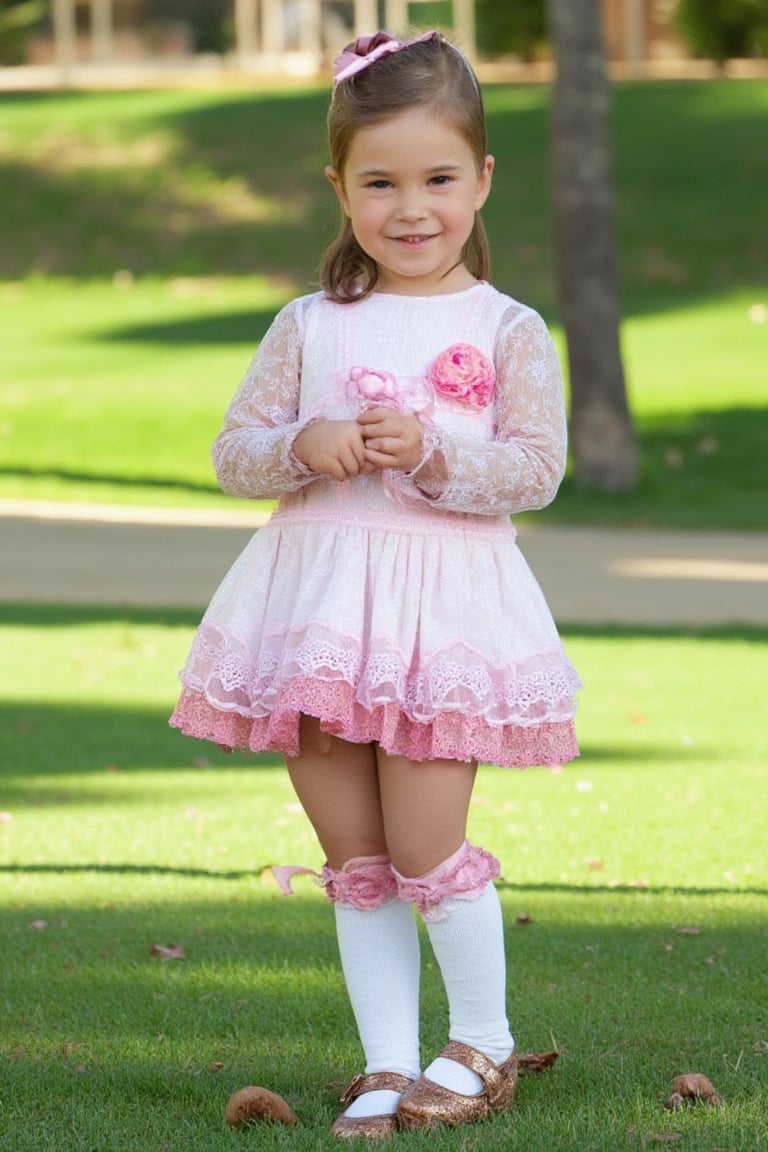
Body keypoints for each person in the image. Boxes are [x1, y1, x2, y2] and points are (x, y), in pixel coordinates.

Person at [170, 29, 581, 1138]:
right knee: (354, 857)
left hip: (438, 617)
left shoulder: (506, 329)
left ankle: (482, 1044)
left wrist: (437, 456)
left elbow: (537, 468)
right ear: (341, 189)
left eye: (439, 179)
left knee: (425, 848)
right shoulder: (309, 325)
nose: (413, 208)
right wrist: (309, 442)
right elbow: (234, 451)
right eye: (381, 182)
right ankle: (390, 1064)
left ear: (482, 179)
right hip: (318, 616)